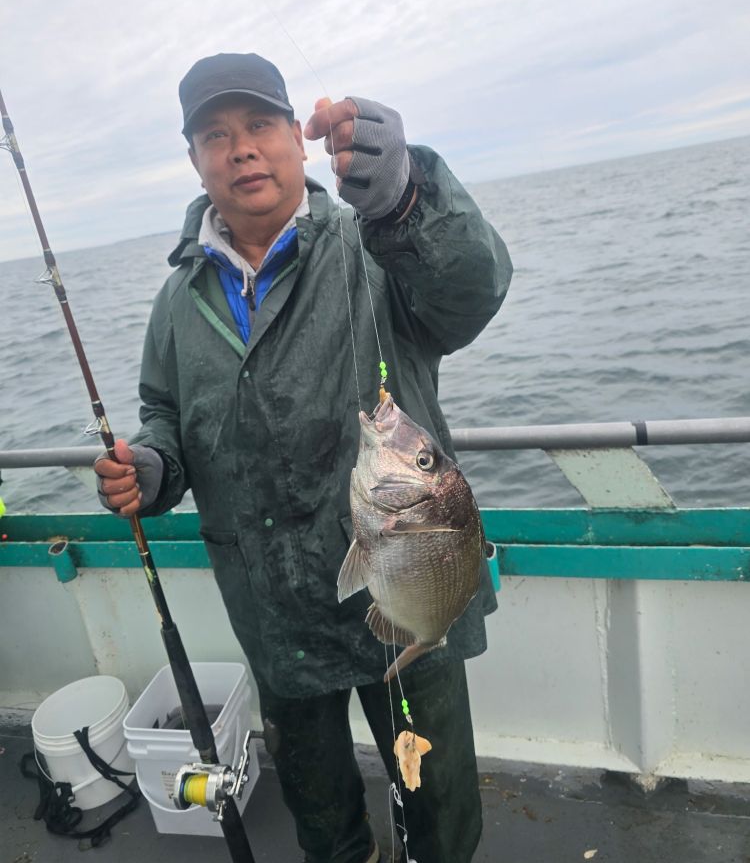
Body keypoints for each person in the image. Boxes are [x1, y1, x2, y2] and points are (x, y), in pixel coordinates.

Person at [95, 52, 513, 863]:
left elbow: (472, 291)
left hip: (408, 588)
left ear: (296, 135)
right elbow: (167, 417)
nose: (241, 149)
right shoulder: (177, 301)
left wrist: (407, 198)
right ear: (194, 159)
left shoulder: (379, 246)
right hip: (274, 608)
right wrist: (151, 469)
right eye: (216, 135)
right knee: (319, 815)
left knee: (437, 805)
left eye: (259, 125)